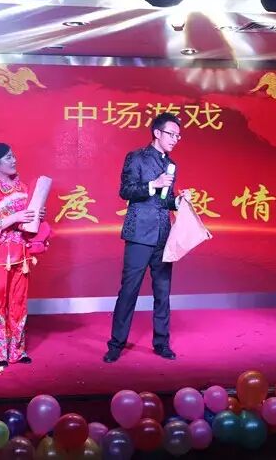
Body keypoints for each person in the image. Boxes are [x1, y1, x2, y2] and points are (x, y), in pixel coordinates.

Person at [104, 112, 192, 363]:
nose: (175, 139)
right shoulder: (136, 157)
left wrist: (178, 200)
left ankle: (162, 343)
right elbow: (126, 190)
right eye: (171, 134)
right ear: (157, 133)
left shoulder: (171, 164)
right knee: (129, 290)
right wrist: (153, 184)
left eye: (178, 136)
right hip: (140, 234)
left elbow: (165, 201)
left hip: (163, 236)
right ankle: (116, 344)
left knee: (162, 292)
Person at [0, 137, 45, 367]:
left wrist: (36, 216)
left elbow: (29, 221)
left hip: (21, 253)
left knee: (19, 302)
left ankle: (17, 350)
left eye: (13, 156)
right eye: (8, 158)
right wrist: (15, 217)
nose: (13, 160)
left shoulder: (23, 188)